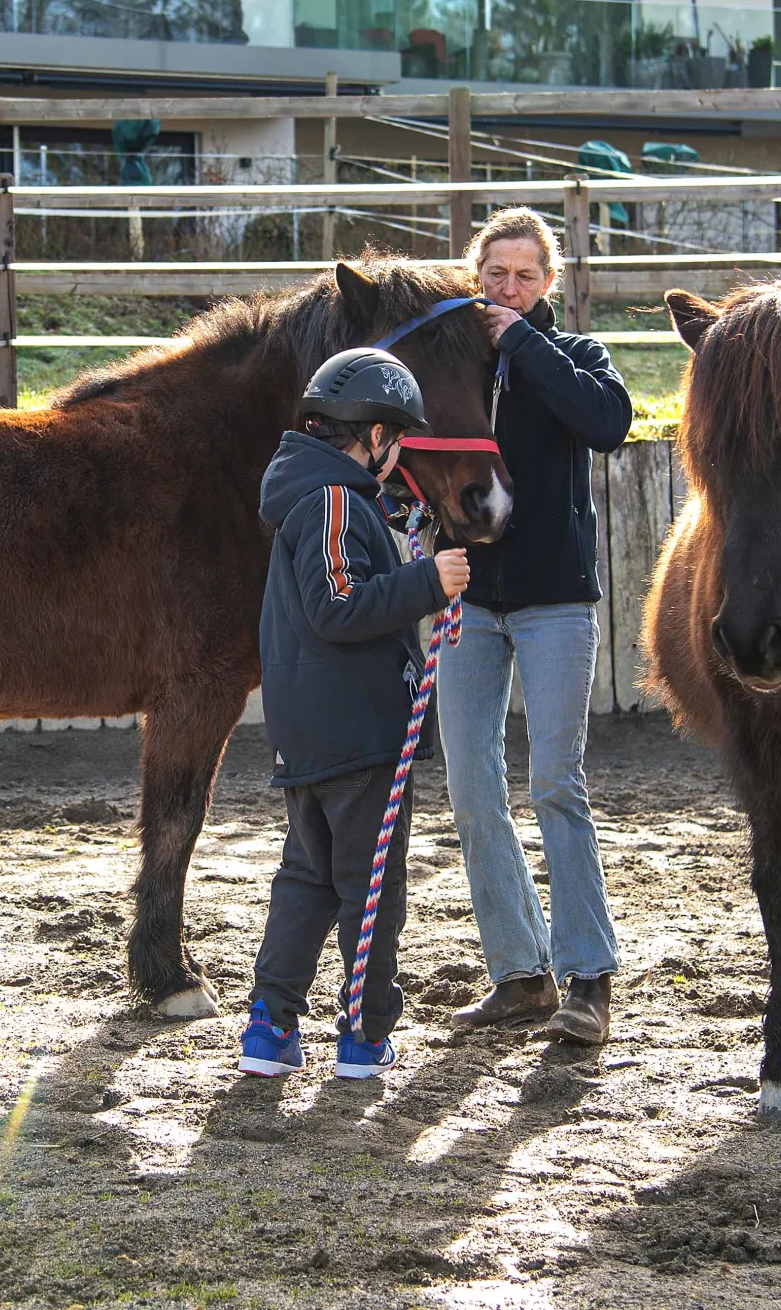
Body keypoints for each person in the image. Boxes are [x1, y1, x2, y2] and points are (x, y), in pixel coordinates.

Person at [239, 348, 472, 1081]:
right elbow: (339, 606)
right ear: (371, 434)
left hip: (308, 730)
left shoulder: (314, 498)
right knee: (372, 884)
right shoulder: (338, 502)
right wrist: (427, 583)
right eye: (394, 439)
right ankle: (364, 1034)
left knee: (307, 878)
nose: (397, 454)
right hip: (358, 731)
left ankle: (271, 1026)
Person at [438, 208, 634, 1044]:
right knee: (471, 787)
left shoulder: (574, 356)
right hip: (469, 601)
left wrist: (522, 343)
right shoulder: (455, 361)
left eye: (524, 275)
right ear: (474, 273)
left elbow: (609, 424)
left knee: (556, 782)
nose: (506, 287)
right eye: (494, 273)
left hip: (557, 599)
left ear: (548, 284)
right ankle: (520, 974)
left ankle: (589, 976)